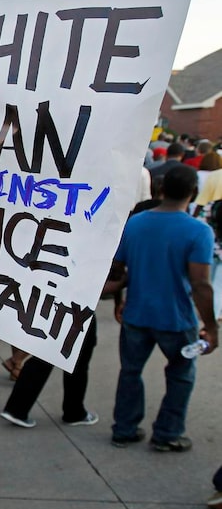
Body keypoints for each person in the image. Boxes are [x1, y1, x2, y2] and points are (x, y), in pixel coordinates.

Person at [110, 164, 218, 450]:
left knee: (130, 371)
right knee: (181, 375)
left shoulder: (135, 223)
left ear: (160, 189)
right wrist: (211, 326)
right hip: (176, 319)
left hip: (136, 314)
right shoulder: (199, 232)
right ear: (193, 193)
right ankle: (168, 433)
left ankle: (124, 428)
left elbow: (117, 271)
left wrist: (119, 302)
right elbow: (201, 285)